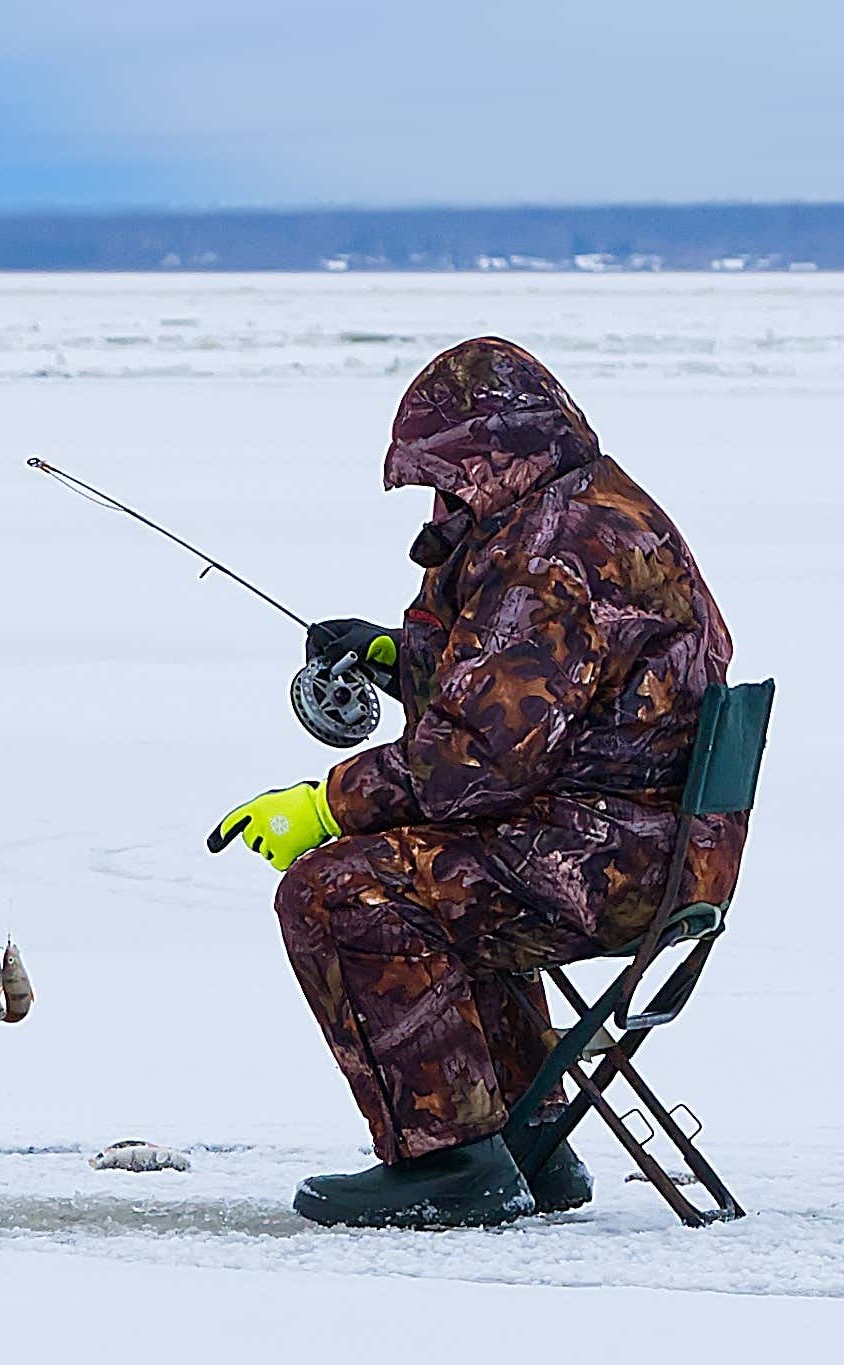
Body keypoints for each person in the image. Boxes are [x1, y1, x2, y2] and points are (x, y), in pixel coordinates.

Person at [205, 338, 743, 1227]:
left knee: (339, 891)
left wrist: (323, 806)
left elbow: (472, 764)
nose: (441, 497)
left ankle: (449, 1161)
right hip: (633, 842)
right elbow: (523, 705)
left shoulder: (558, 550)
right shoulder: (584, 510)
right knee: (434, 872)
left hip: (611, 858)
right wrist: (391, 655)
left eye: (450, 474)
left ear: (499, 453)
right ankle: (527, 1146)